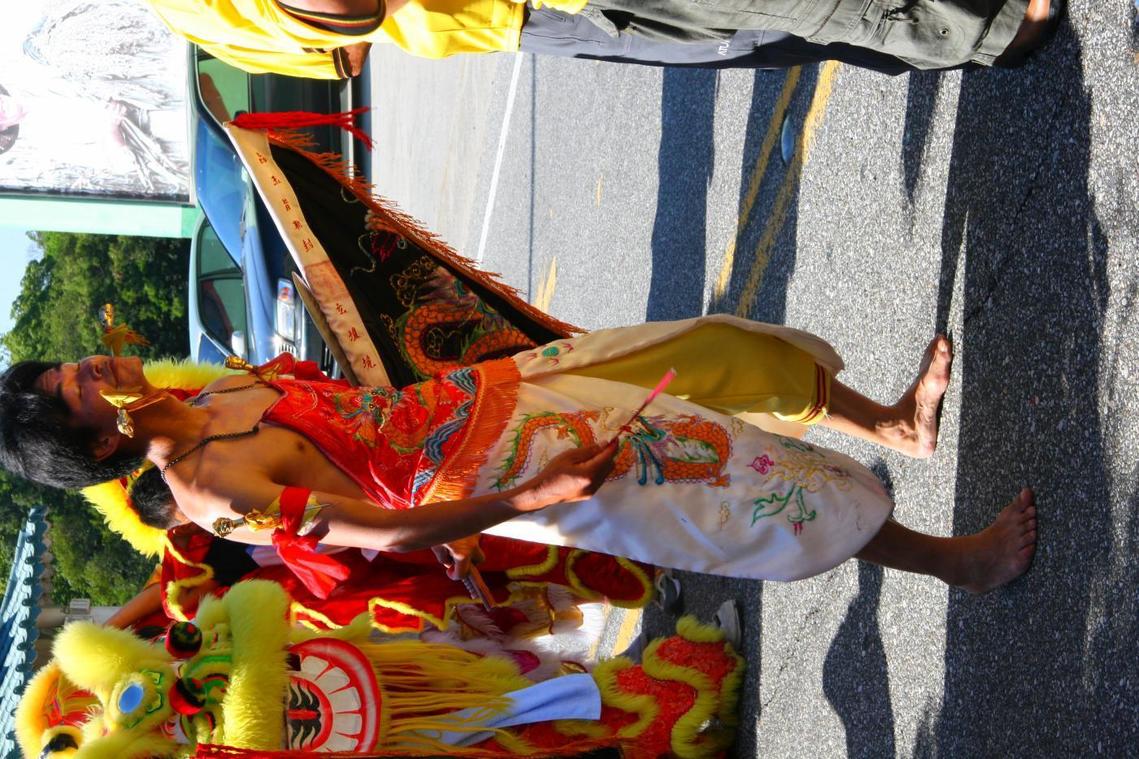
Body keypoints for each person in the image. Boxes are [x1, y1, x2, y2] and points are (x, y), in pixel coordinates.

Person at [0, 315, 1036, 597]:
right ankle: (954, 561)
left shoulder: (206, 393)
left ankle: (893, 427)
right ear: (97, 442)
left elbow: (358, 409)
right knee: (751, 482)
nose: (87, 366)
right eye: (72, 391)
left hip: (504, 394)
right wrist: (533, 495)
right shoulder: (210, 492)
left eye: (67, 364)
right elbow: (384, 533)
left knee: (715, 355)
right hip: (509, 472)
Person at [145, 0, 1063, 81]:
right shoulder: (188, 11)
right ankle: (983, 31)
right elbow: (345, 34)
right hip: (520, 9)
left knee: (752, 32)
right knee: (751, 20)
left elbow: (343, 60)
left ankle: (935, 31)